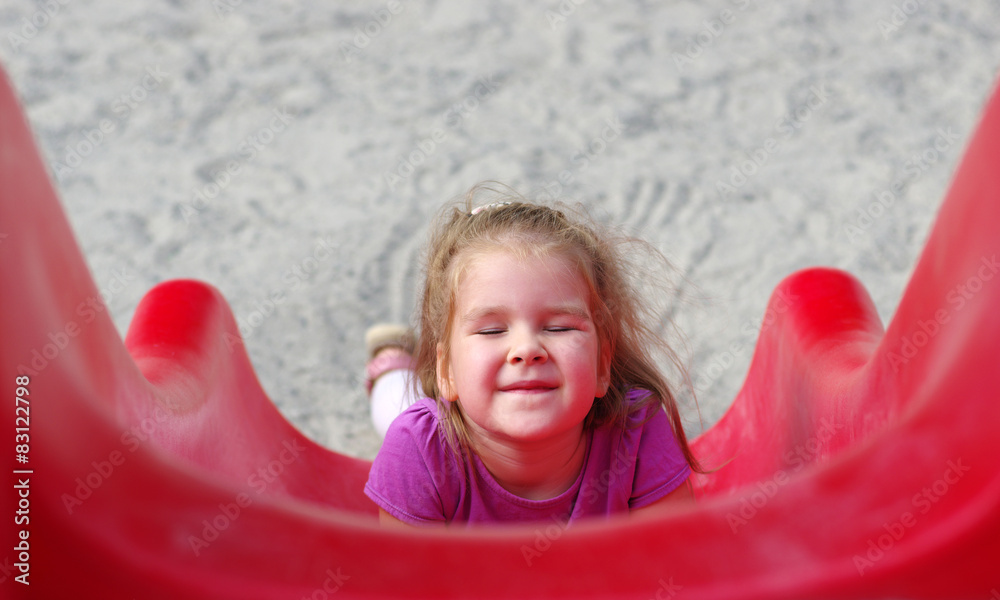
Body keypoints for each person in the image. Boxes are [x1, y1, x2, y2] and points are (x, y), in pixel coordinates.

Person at [363, 183, 702, 526]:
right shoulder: (417, 451)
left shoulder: (637, 429)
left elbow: (673, 564)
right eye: (492, 330)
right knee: (397, 406)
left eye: (558, 328)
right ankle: (391, 362)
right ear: (446, 370)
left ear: (603, 363)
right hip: (434, 423)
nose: (526, 350)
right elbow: (407, 578)